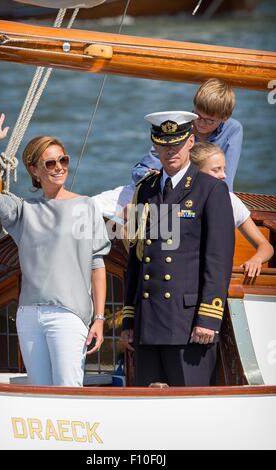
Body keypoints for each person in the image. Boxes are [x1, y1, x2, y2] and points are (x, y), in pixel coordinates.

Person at [0, 109, 111, 387]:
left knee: (68, 391)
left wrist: (99, 319)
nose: (59, 167)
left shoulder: (85, 207)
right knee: (38, 392)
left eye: (63, 160)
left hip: (68, 315)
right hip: (28, 315)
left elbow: (97, 266)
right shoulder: (24, 210)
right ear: (35, 171)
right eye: (50, 163)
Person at [121, 111, 235, 387]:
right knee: (148, 412)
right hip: (148, 324)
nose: (169, 150)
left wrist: (209, 317)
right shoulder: (145, 190)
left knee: (190, 413)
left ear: (191, 142)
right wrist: (129, 320)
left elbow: (217, 259)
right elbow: (137, 258)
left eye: (176, 144)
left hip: (189, 326)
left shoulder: (209, 189)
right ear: (155, 146)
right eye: (163, 144)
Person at [132, 78, 243, 191]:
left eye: (209, 121)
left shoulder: (233, 130)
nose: (201, 123)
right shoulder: (180, 125)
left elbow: (226, 178)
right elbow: (141, 170)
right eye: (198, 116)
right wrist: (150, 175)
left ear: (225, 118)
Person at [190, 142, 274, 277]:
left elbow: (266, 246)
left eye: (224, 169)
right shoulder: (176, 200)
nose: (223, 175)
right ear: (194, 172)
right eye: (216, 170)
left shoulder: (231, 201)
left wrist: (256, 260)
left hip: (216, 278)